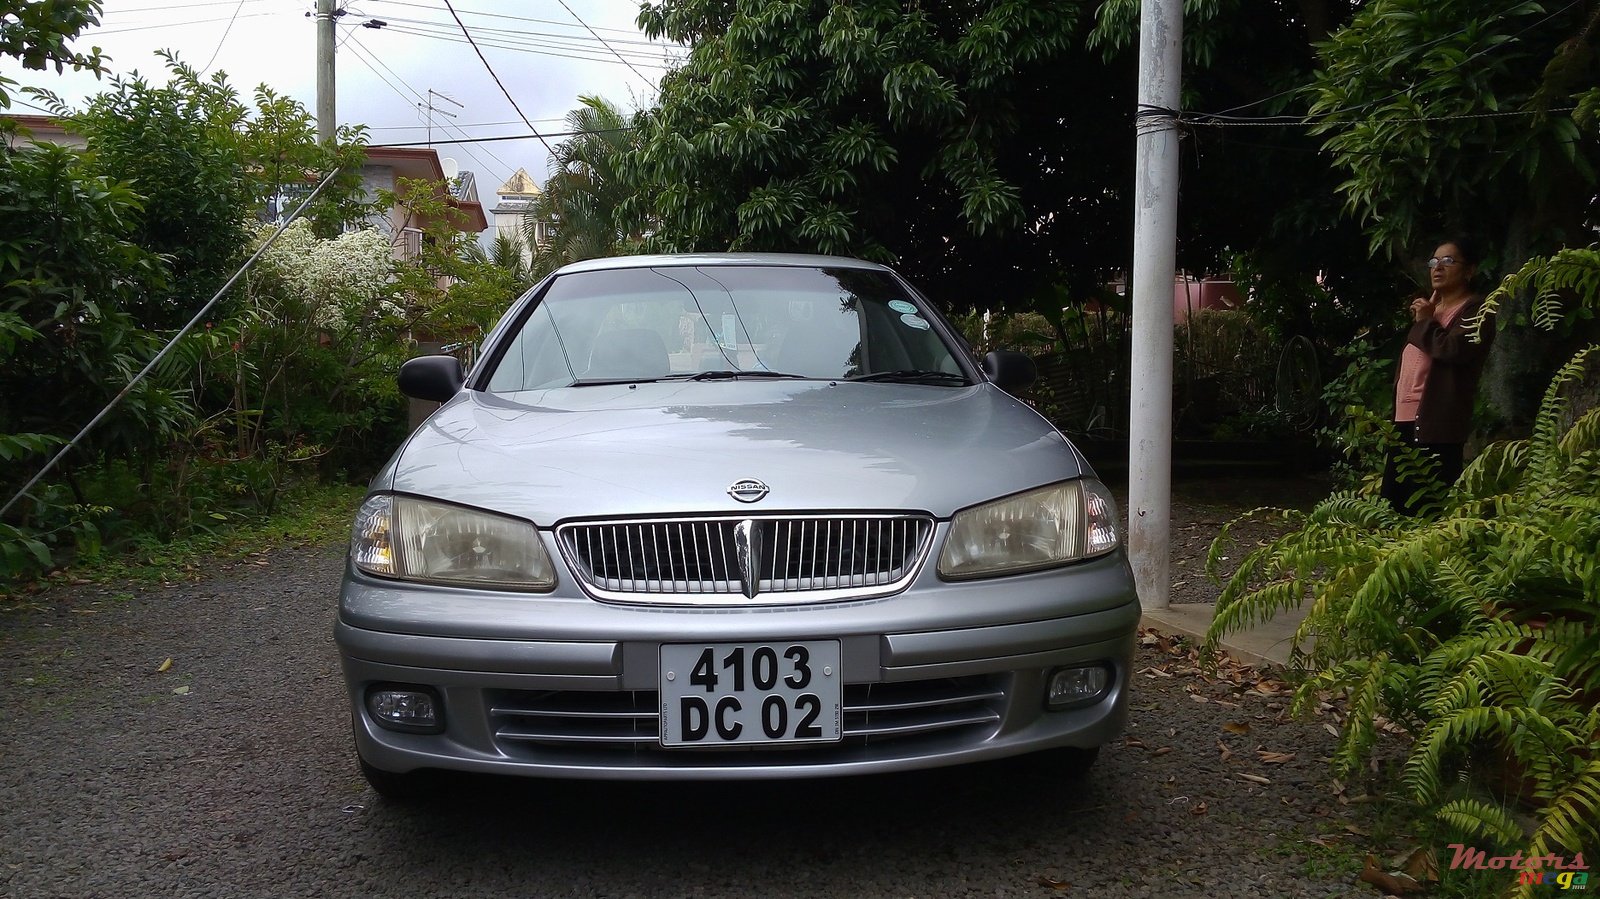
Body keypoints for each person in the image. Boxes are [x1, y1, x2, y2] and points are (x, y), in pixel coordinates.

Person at [1381, 237, 1494, 514]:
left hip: (1436, 422)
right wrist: (1427, 318)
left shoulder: (1476, 310)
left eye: (1448, 261)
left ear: (1469, 271)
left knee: (1424, 510)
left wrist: (1425, 321)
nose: (1438, 267)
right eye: (1434, 261)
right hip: (1405, 420)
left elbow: (1453, 350)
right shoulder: (1430, 311)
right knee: (1391, 508)